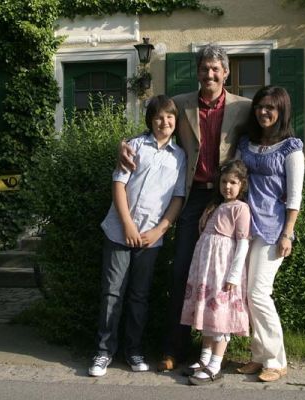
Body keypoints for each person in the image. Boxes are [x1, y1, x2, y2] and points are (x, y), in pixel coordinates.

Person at [119, 44, 251, 371]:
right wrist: (124, 145)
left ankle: (217, 347)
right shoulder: (181, 103)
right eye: (204, 68)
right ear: (198, 71)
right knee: (182, 273)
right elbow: (156, 126)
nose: (210, 74)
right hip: (192, 198)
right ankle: (173, 349)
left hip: (226, 200)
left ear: (226, 73)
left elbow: (266, 136)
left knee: (223, 276)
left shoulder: (243, 107)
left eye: (215, 69)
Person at [88, 95, 186, 377]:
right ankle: (104, 351)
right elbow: (119, 185)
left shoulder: (180, 157)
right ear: (150, 121)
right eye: (158, 117)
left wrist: (159, 230)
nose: (164, 122)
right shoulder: (134, 146)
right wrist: (128, 225)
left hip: (150, 239)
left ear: (176, 121)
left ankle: (133, 350)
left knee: (139, 296)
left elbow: (178, 198)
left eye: (169, 117)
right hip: (120, 232)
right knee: (112, 293)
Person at [236, 85, 305, 382]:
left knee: (258, 292)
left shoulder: (291, 148)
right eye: (260, 106)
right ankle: (259, 356)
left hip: (273, 229)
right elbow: (234, 176)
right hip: (244, 226)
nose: (263, 112)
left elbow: (295, 196)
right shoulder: (246, 144)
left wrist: (288, 233)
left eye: (270, 107)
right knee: (247, 293)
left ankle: (277, 360)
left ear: (281, 111)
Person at [180, 160, 251, 385]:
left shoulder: (240, 208)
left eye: (233, 182)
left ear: (242, 185)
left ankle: (215, 364)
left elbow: (243, 243)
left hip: (222, 270)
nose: (227, 186)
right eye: (224, 182)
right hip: (207, 269)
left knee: (220, 315)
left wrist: (233, 275)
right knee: (208, 314)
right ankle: (204, 358)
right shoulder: (215, 206)